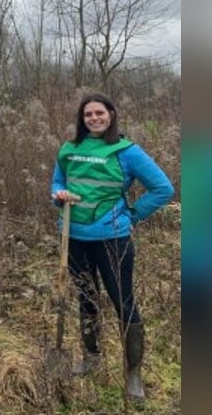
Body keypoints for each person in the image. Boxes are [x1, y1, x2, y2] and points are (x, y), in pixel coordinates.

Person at [51, 94, 174, 402]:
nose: (93, 118)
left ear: (111, 115)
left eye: (99, 113)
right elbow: (56, 183)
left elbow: (163, 188)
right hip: (74, 236)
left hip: (113, 240)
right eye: (88, 114)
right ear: (82, 118)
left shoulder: (127, 151)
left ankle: (133, 375)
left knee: (123, 301)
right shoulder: (69, 149)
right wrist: (59, 194)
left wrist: (133, 214)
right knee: (86, 297)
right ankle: (91, 357)